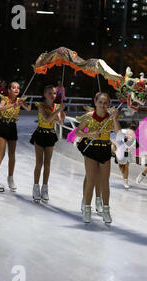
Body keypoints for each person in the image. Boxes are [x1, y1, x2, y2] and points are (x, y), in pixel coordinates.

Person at [76, 92, 121, 224]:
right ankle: (87, 208)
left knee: (104, 181)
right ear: (95, 103)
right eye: (100, 102)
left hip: (105, 149)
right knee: (91, 179)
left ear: (109, 104)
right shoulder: (89, 117)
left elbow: (118, 132)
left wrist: (115, 118)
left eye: (105, 103)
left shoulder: (110, 117)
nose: (102, 105)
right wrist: (89, 134)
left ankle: (106, 210)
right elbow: (78, 132)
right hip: (91, 149)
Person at [0, 82, 31, 191]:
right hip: (2, 126)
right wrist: (13, 105)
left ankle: (10, 178)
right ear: (9, 90)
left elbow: (29, 109)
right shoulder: (4, 98)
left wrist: (22, 104)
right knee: (1, 154)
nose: (16, 89)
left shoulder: (19, 100)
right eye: (14, 87)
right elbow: (0, 109)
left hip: (12, 127)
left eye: (18, 88)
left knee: (12, 155)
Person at [30, 85, 66, 202]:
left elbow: (59, 122)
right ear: (45, 94)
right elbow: (47, 119)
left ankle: (44, 188)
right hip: (40, 134)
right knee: (39, 162)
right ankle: (36, 187)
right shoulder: (41, 105)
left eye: (54, 93)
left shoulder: (57, 106)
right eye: (50, 93)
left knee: (47, 163)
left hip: (50, 135)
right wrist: (58, 111)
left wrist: (62, 117)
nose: (52, 95)